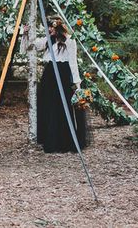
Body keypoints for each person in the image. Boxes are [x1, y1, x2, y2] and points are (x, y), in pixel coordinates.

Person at [22, 16, 89, 153]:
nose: (49, 30)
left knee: (62, 107)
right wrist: (26, 33)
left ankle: (64, 141)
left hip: (63, 75)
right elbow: (29, 47)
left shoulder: (70, 41)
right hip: (50, 76)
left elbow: (73, 63)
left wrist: (77, 84)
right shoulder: (48, 40)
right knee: (49, 106)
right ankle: (50, 140)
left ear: (57, 27)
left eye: (51, 27)